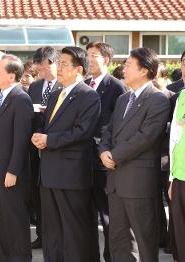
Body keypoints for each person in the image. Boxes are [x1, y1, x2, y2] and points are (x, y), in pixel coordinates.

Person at [99, 47, 170, 261]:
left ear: (145, 70)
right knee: (119, 239)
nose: (123, 68)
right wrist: (103, 151)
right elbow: (108, 131)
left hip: (138, 182)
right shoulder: (123, 99)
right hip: (115, 181)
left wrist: (114, 156)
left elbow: (146, 137)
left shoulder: (157, 99)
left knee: (144, 240)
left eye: (129, 65)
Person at [32, 46, 100, 262]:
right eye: (58, 63)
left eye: (63, 64)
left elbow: (83, 132)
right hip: (49, 172)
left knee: (73, 229)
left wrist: (49, 140)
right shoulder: (55, 95)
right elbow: (49, 126)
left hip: (71, 174)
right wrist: (40, 135)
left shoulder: (88, 95)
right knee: (52, 229)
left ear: (79, 69)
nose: (58, 68)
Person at [0, 54, 34, 261]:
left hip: (9, 174)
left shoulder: (21, 99)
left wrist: (12, 170)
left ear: (11, 76)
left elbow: (21, 140)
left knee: (14, 221)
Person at [85, 41, 126, 262]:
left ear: (106, 60)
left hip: (103, 160)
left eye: (94, 56)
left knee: (107, 215)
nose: (89, 60)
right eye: (87, 55)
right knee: (86, 214)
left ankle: (110, 257)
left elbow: (117, 126)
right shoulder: (84, 84)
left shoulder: (116, 86)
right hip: (82, 160)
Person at [27, 46, 63, 249]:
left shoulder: (64, 86)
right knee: (38, 196)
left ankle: (57, 236)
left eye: (42, 65)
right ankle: (41, 234)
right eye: (37, 66)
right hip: (35, 149)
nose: (39, 70)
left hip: (55, 148)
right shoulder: (34, 87)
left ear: (54, 63)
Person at [169, 88, 185, 262]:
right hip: (180, 177)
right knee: (181, 237)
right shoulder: (182, 96)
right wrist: (172, 178)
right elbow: (175, 136)